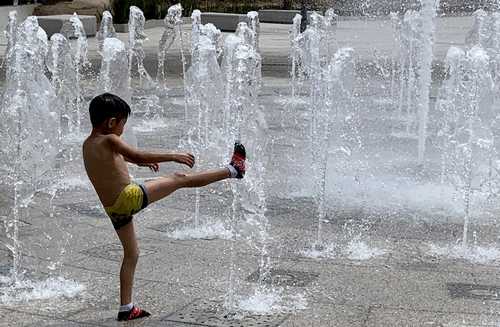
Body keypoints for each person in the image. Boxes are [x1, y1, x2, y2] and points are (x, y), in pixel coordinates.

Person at [82, 93, 246, 321]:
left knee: (131, 253)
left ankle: (127, 308)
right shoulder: (110, 139)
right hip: (128, 197)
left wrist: (140, 161)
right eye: (122, 124)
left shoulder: (89, 144)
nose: (122, 130)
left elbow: (117, 158)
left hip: (113, 208)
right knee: (180, 178)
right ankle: (234, 170)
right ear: (111, 122)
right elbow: (135, 154)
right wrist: (173, 156)